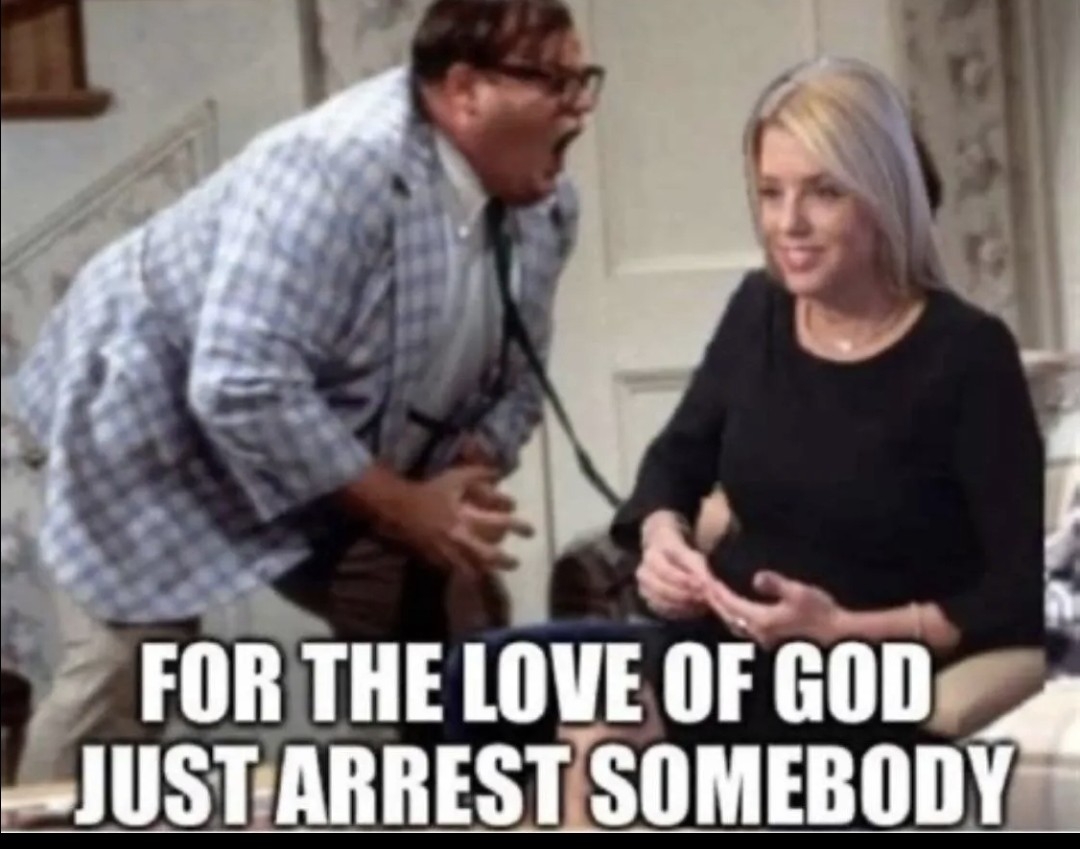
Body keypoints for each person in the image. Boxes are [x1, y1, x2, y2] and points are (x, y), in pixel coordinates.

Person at [12, 0, 603, 784]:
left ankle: (472, 806)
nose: (580, 108)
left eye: (584, 81)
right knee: (128, 663)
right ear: (466, 91)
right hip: (152, 424)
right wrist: (402, 504)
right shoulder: (337, 165)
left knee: (457, 625)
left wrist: (464, 473)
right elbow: (241, 381)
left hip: (328, 439)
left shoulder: (544, 207)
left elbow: (519, 377)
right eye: (555, 82)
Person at [551, 55, 1045, 829]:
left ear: (882, 195)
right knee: (583, 721)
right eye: (770, 192)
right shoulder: (760, 310)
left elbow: (1014, 593)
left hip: (864, 680)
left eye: (823, 192)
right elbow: (675, 461)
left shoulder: (968, 354)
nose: (789, 224)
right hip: (723, 651)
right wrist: (661, 538)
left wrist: (843, 629)